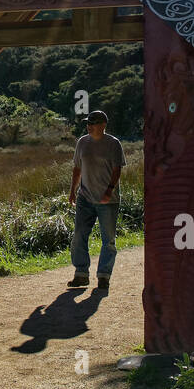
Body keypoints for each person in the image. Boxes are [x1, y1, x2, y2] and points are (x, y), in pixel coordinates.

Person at [67, 110, 125, 290]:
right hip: (85, 197)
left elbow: (117, 170)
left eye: (93, 123)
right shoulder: (82, 142)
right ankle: (81, 274)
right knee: (79, 235)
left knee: (108, 240)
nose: (89, 126)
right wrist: (72, 191)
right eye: (88, 123)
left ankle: (104, 276)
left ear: (103, 125)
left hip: (108, 200)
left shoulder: (113, 144)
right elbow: (77, 168)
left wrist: (109, 191)